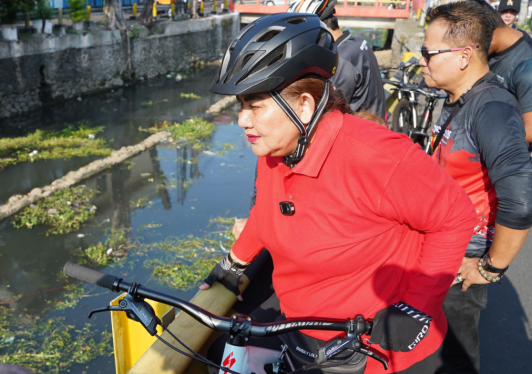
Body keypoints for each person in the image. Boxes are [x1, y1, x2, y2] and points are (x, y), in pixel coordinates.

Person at [200, 13, 476, 374]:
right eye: (240, 106)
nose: (242, 120)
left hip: (372, 348)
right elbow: (265, 215)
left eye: (255, 106)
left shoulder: (376, 155)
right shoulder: (274, 151)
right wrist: (231, 267)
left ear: (303, 106)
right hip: (301, 334)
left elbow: (455, 215)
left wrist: (416, 308)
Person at [419, 2, 532, 373]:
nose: (421, 60)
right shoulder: (458, 99)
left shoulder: (493, 107)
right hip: (436, 255)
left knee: (454, 360)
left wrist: (490, 268)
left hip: (460, 269)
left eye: (428, 52)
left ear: (464, 55)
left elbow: (521, 198)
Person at [289, 0, 387, 120]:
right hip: (376, 120)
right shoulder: (357, 43)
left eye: (306, 32)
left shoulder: (341, 59)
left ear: (322, 26)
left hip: (361, 130)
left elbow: (330, 109)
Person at [471, 0, 532, 142]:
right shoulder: (493, 48)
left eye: (474, 43)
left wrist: (481, 134)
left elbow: (530, 131)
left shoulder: (526, 68)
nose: (472, 49)